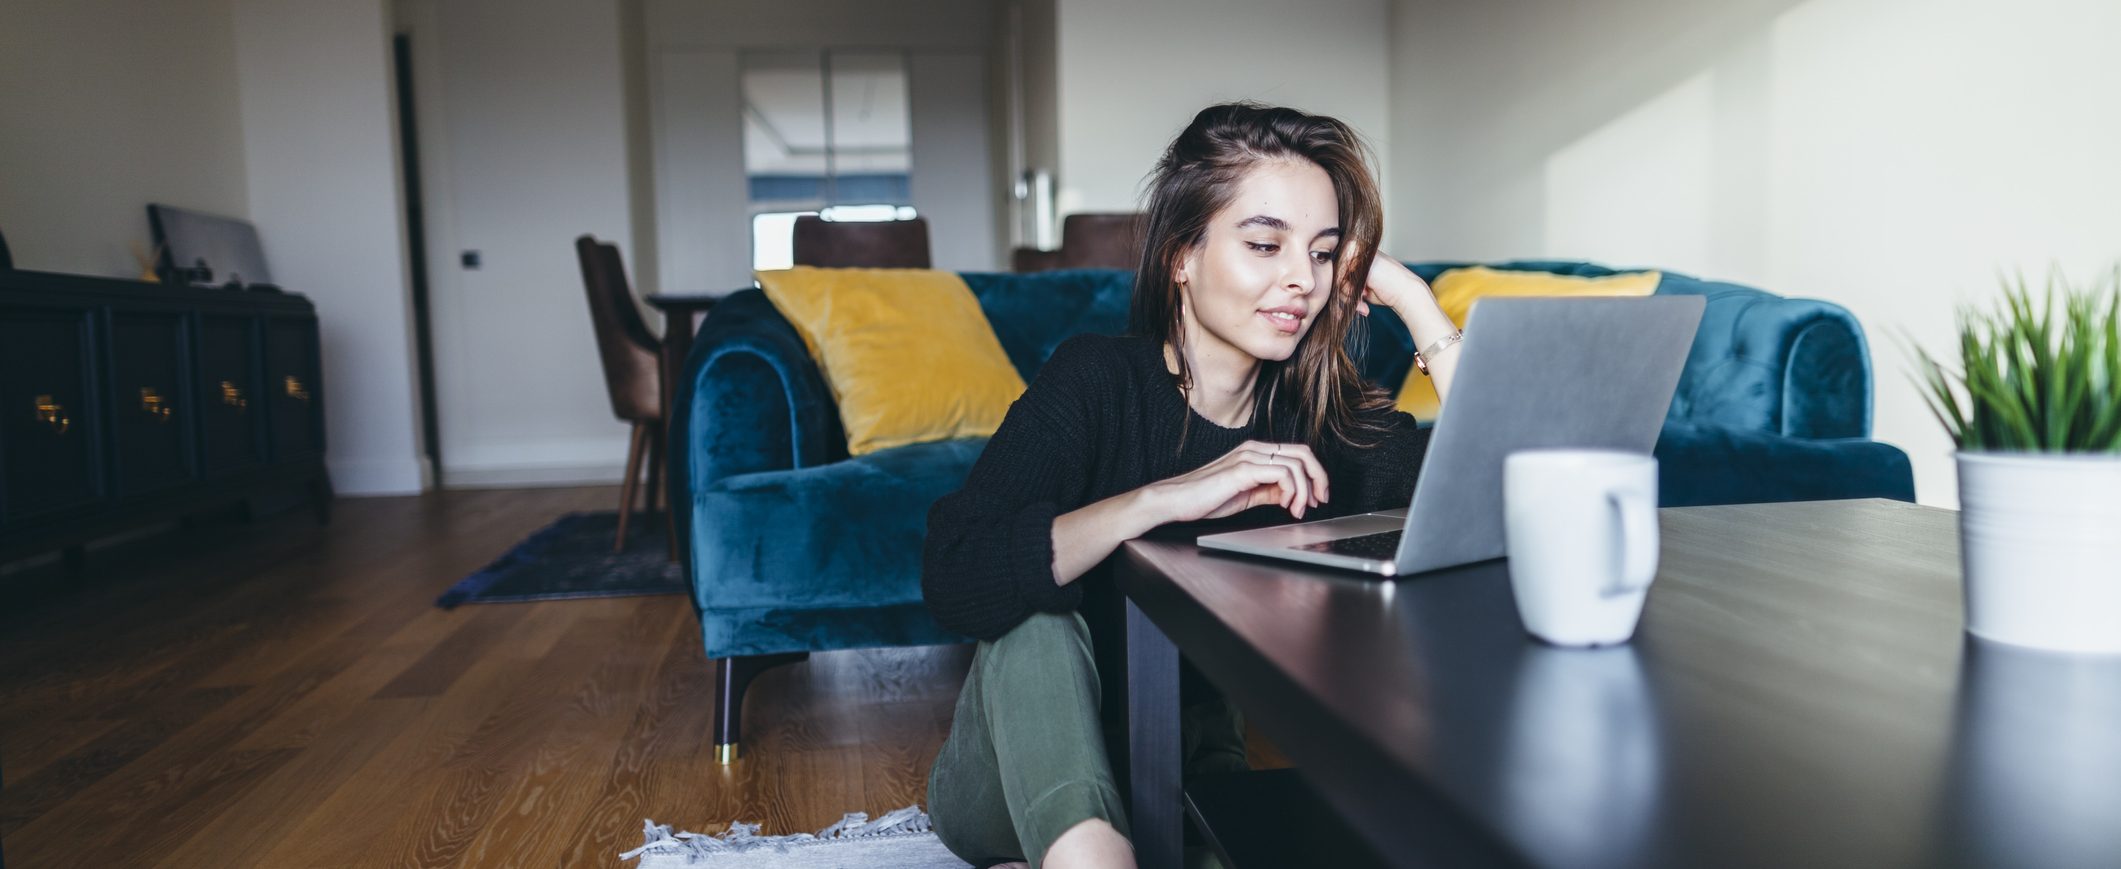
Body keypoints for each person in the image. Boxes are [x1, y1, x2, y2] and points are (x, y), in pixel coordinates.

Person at [922, 102, 1467, 869]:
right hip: (1009, 773)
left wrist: (1414, 301)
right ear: (1181, 255)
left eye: (1321, 253)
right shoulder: (1094, 380)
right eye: (1264, 244)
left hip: (1180, 770)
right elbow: (954, 574)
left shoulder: (1323, 422)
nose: (1298, 281)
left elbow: (1497, 501)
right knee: (1038, 610)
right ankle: (1083, 851)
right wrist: (1156, 501)